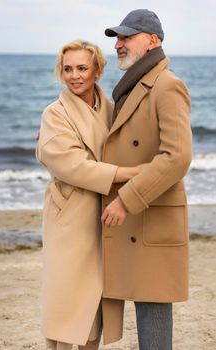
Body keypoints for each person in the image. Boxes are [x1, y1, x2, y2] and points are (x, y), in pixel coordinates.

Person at [36, 40, 140, 350]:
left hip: (106, 214)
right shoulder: (55, 113)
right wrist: (129, 174)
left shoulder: (110, 110)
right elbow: (73, 166)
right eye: (67, 69)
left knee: (94, 306)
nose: (74, 76)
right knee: (66, 299)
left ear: (97, 70)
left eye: (82, 68)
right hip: (69, 218)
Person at [101, 9, 192, 349]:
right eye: (117, 38)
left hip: (149, 212)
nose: (119, 44)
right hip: (133, 216)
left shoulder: (167, 86)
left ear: (153, 41)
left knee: (152, 312)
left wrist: (126, 199)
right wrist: (57, 131)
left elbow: (178, 156)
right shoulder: (132, 84)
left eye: (126, 37)